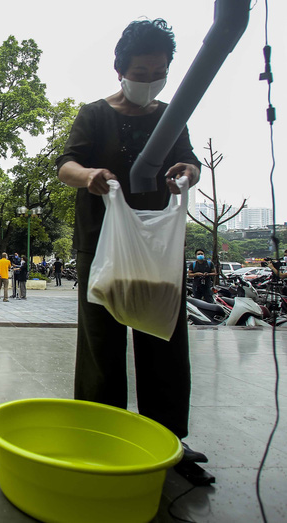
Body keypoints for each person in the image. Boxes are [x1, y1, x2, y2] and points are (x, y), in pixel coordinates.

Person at [56, 19, 206, 462]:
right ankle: (100, 434)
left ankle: (167, 441)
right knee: (101, 342)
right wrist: (90, 176)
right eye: (140, 73)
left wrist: (188, 172)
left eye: (157, 73)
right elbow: (66, 165)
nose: (148, 81)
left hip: (155, 250)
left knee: (164, 337)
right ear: (120, 69)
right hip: (100, 244)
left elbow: (188, 159)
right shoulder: (94, 114)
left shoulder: (169, 115)